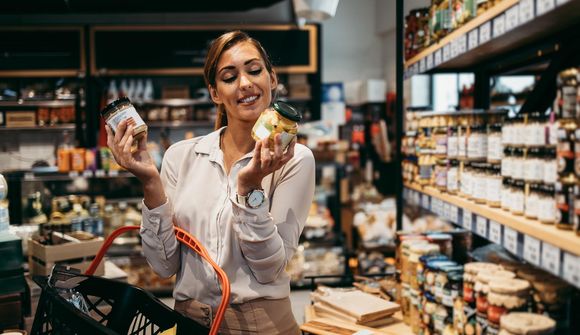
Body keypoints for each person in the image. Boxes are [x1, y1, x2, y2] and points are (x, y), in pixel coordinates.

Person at [106, 30, 315, 334]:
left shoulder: (294, 159)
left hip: (261, 325)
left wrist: (250, 189)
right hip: (189, 322)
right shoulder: (181, 157)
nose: (245, 83)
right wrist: (150, 182)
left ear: (272, 79)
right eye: (229, 77)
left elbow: (269, 270)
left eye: (254, 71)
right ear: (215, 93)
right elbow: (163, 267)